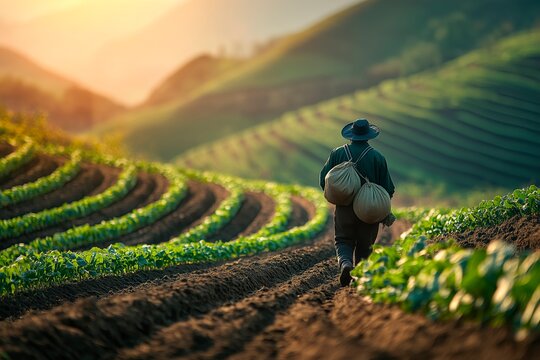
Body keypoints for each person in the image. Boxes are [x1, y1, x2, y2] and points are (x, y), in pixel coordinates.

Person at [319, 118, 395, 287]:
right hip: (369, 210)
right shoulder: (377, 157)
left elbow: (324, 180)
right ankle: (360, 278)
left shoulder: (337, 153)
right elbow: (388, 188)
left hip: (344, 208)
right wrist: (381, 207)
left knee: (343, 240)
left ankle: (345, 264)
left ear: (350, 135)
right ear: (369, 136)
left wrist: (340, 196)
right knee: (365, 245)